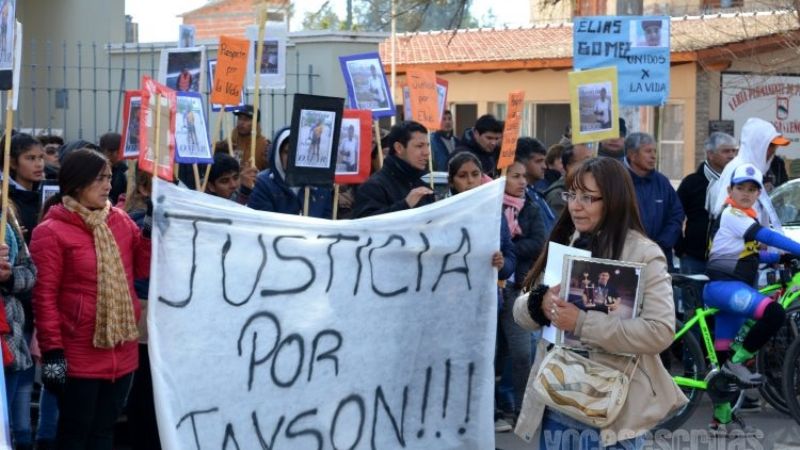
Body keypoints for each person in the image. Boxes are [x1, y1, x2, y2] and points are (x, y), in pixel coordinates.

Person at [513, 157, 687, 449]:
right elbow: (521, 310)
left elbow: (659, 331)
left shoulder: (644, 252)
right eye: (572, 195)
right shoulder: (567, 240)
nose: (575, 205)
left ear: (614, 200)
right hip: (557, 403)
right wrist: (539, 304)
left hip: (611, 414)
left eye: (588, 198)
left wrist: (582, 323)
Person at [31, 148, 152, 449]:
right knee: (74, 434)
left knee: (104, 433)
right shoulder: (51, 231)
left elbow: (143, 267)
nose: (108, 186)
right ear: (76, 183)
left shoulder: (121, 221)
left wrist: (150, 232)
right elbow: (44, 298)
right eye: (99, 179)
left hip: (122, 349)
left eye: (109, 178)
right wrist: (53, 355)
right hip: (78, 354)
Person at [703, 163, 800, 435]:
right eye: (740, 188)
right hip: (725, 288)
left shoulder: (745, 215)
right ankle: (738, 360)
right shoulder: (733, 214)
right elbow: (766, 236)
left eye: (752, 189)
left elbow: (752, 254)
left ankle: (720, 421)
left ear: (759, 193)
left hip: (732, 289)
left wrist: (780, 257)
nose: (746, 193)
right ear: (730, 189)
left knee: (721, 365)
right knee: (774, 314)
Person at [446, 151, 517, 432]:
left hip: (487, 304)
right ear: (452, 181)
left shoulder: (493, 211)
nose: (471, 181)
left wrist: (502, 264)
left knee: (485, 364)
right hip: (452, 305)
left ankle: (482, 424)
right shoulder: (444, 212)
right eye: (463, 176)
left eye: (475, 174)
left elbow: (510, 255)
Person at [499, 158, 545, 422]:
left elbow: (539, 242)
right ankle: (499, 405)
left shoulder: (532, 206)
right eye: (515, 176)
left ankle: (522, 409)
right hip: (490, 288)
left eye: (523, 176)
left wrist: (507, 251)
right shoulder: (488, 207)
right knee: (496, 352)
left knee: (522, 352)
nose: (522, 182)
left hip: (517, 285)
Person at [122, 170, 161, 450]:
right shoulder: (136, 222)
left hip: (164, 312)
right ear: (145, 190)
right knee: (145, 386)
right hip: (146, 313)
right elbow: (140, 268)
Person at [710, 117, 789, 233]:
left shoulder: (753, 169)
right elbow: (725, 215)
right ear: (757, 144)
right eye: (770, 145)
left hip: (751, 245)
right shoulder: (738, 169)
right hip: (738, 247)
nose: (774, 150)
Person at [675, 132, 737, 274]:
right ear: (710, 154)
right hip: (694, 258)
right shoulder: (692, 182)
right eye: (726, 151)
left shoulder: (738, 183)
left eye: (734, 151)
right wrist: (681, 249)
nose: (732, 155)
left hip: (727, 259)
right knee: (693, 296)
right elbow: (675, 216)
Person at [624, 132, 684, 271]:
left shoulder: (662, 181)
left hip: (660, 256)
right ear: (632, 155)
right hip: (627, 256)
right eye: (648, 151)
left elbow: (676, 214)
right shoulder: (618, 179)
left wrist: (663, 242)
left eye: (655, 151)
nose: (653, 156)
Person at [353, 121, 435, 218]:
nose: (426, 152)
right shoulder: (373, 187)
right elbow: (366, 225)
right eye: (419, 146)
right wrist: (405, 204)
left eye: (427, 146)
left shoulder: (423, 185)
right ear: (399, 148)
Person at [248, 127, 332, 218]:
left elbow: (327, 223)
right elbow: (263, 224)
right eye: (287, 152)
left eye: (298, 153)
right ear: (278, 154)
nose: (293, 158)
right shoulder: (263, 183)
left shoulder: (321, 186)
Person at [515, 137, 556, 235]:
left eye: (544, 161)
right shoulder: (519, 199)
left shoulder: (536, 193)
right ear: (521, 163)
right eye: (538, 161)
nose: (544, 166)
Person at [543, 144, 592, 217]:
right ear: (569, 166)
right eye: (587, 161)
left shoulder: (590, 188)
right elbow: (561, 226)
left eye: (593, 160)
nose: (592, 165)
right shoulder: (557, 195)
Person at [216, 105, 269, 171]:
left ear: (256, 123)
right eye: (239, 118)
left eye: (246, 119)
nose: (241, 122)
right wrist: (218, 148)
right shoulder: (229, 142)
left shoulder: (264, 145)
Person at [98, 132, 128, 206]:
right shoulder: (94, 169)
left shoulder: (123, 171)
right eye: (110, 152)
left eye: (118, 152)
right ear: (101, 151)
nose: (115, 156)